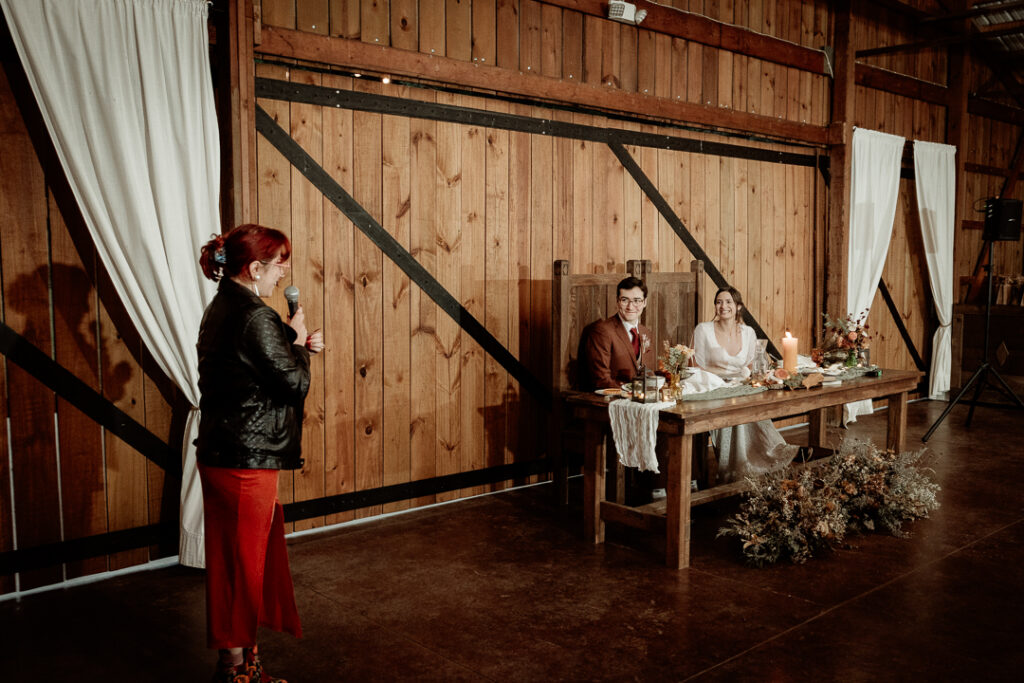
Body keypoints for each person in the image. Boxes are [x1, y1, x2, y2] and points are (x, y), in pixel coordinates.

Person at [196, 224, 324, 683]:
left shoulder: (222, 308)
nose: (282, 272)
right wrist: (300, 343)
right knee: (243, 568)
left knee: (238, 563)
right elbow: (295, 384)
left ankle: (243, 664)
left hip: (223, 452)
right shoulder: (255, 316)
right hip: (244, 461)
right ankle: (237, 671)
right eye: (278, 264)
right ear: (254, 269)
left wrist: (290, 344)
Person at [692, 286, 798, 484]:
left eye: (728, 302)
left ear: (738, 306)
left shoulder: (748, 332)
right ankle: (734, 468)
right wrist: (722, 380)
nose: (723, 306)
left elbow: (752, 363)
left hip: (741, 385)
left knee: (749, 406)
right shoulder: (703, 330)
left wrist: (746, 376)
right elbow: (697, 365)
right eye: (719, 302)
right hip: (713, 386)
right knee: (731, 408)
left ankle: (768, 454)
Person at [583, 276, 656, 390]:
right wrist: (631, 393)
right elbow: (601, 379)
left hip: (641, 401)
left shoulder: (645, 332)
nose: (630, 306)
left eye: (636, 300)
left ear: (645, 302)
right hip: (612, 401)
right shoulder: (602, 331)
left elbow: (648, 372)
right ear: (617, 301)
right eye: (624, 300)